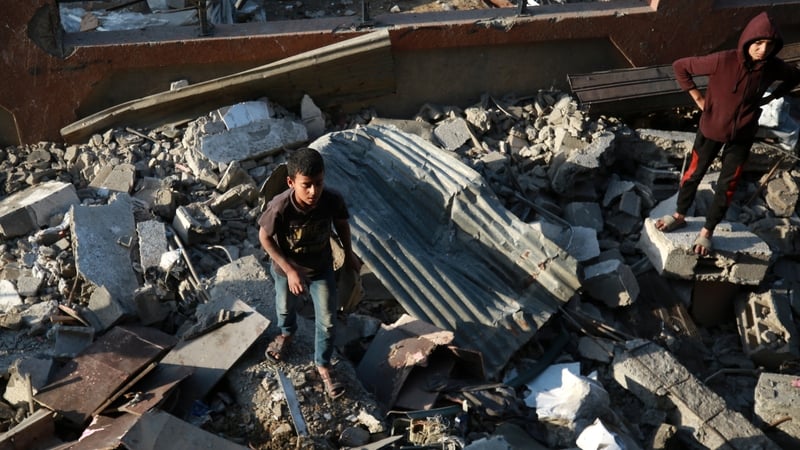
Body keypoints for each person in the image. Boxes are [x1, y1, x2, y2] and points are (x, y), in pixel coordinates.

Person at [656, 11, 800, 255]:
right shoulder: (723, 60)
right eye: (758, 43)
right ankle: (679, 214)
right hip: (710, 129)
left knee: (728, 184)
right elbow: (680, 66)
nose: (763, 50)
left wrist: (773, 96)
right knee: (693, 174)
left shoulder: (771, 68)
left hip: (742, 136)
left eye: (769, 45)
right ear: (747, 41)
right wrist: (698, 98)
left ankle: (707, 231)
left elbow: (795, 75)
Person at [258, 147, 362, 399]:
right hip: (287, 270)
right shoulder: (280, 207)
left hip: (320, 268)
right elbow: (264, 238)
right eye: (306, 185)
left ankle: (323, 364)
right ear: (291, 182)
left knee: (327, 320)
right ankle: (286, 333)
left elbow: (341, 226)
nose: (314, 191)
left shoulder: (331, 200)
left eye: (319, 183)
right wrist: (290, 271)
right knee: (285, 307)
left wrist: (349, 254)